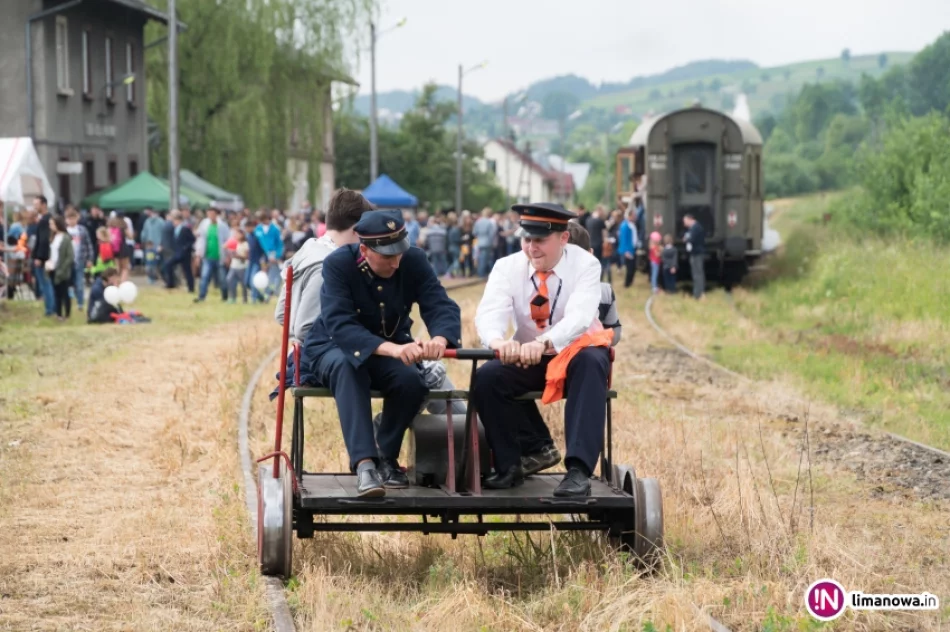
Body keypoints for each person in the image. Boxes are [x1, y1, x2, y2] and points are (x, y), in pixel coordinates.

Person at [297, 210, 462, 497]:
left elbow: (439, 303)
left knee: (411, 382)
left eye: (400, 253)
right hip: (333, 346)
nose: (396, 262)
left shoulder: (414, 260)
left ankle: (386, 456)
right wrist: (396, 349)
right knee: (350, 370)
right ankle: (364, 466)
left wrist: (440, 337)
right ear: (364, 249)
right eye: (387, 256)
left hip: (388, 349)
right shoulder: (338, 264)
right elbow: (341, 324)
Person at [474, 203, 612, 497]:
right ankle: (512, 464)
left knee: (591, 362)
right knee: (488, 377)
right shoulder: (506, 267)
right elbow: (491, 311)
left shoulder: (586, 266)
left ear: (563, 239)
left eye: (540, 241)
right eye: (526, 240)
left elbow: (579, 316)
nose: (531, 248)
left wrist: (544, 343)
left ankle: (578, 471)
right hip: (531, 354)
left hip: (574, 349)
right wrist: (499, 342)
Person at [194, 208, 230, 302]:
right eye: (209, 214)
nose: (211, 216)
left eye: (213, 214)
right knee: (205, 277)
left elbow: (228, 240)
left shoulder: (222, 226)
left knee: (222, 278)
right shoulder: (204, 225)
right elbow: (200, 240)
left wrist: (228, 255)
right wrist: (198, 255)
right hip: (207, 256)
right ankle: (202, 296)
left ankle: (225, 296)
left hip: (220, 256)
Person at [46, 214, 75, 321]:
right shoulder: (53, 237)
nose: (50, 226)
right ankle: (58, 313)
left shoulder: (66, 238)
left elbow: (70, 256)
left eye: (52, 224)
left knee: (64, 292)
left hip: (62, 269)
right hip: (52, 267)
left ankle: (67, 314)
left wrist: (63, 268)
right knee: (56, 292)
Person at [32, 195, 55, 316]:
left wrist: (39, 257)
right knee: (47, 283)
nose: (35, 207)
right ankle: (52, 308)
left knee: (45, 283)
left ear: (43, 204)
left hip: (43, 258)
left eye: (37, 204)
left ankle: (50, 309)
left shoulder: (45, 220)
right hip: (47, 257)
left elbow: (43, 240)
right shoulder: (46, 219)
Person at [165, 210, 195, 292]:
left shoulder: (185, 229)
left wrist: (186, 247)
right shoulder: (174, 230)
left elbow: (192, 239)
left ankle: (191, 287)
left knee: (187, 270)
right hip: (177, 253)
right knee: (168, 265)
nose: (174, 223)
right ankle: (170, 284)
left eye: (175, 221)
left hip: (185, 254)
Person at [683, 213, 706, 299]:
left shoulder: (696, 228)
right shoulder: (693, 228)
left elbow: (690, 238)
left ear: (690, 219)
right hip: (695, 253)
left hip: (697, 253)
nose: (684, 224)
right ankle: (698, 292)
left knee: (698, 273)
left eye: (685, 221)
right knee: (696, 273)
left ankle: (698, 293)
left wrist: (686, 239)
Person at [617, 208, 638, 288]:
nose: (635, 217)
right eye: (633, 215)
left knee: (633, 267)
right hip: (628, 250)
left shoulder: (632, 224)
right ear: (629, 216)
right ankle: (627, 284)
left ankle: (630, 281)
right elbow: (623, 239)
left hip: (633, 248)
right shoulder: (625, 226)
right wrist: (626, 251)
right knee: (629, 267)